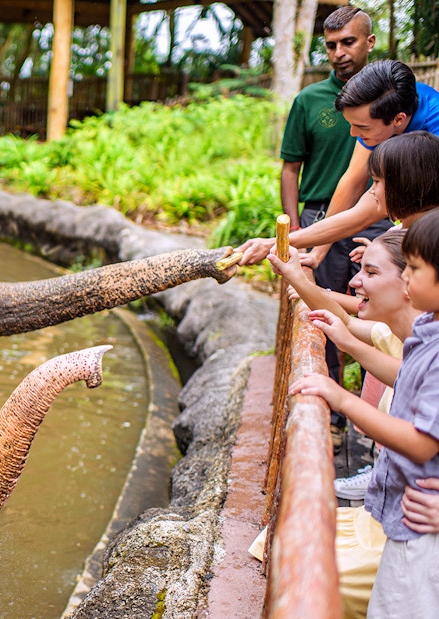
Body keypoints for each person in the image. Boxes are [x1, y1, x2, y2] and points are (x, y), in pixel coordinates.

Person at [287, 208, 439, 618]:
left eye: (417, 269)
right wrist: (347, 344)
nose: (407, 277)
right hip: (402, 514)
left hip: (420, 523)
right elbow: (406, 374)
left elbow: (424, 442)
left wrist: (342, 398)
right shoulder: (427, 333)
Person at [279, 6, 392, 451]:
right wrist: (296, 226)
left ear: (369, 42)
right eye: (331, 45)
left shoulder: (400, 101)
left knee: (376, 308)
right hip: (322, 214)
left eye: (348, 42)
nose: (339, 52)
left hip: (377, 214)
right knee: (320, 313)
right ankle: (327, 413)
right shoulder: (308, 100)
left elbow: (364, 186)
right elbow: (291, 168)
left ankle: (375, 413)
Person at [238, 60, 439, 267]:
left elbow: (364, 214)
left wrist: (277, 242)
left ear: (398, 120)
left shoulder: (432, 132)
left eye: (360, 127)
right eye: (351, 124)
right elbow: (352, 182)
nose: (353, 134)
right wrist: (318, 253)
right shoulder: (382, 112)